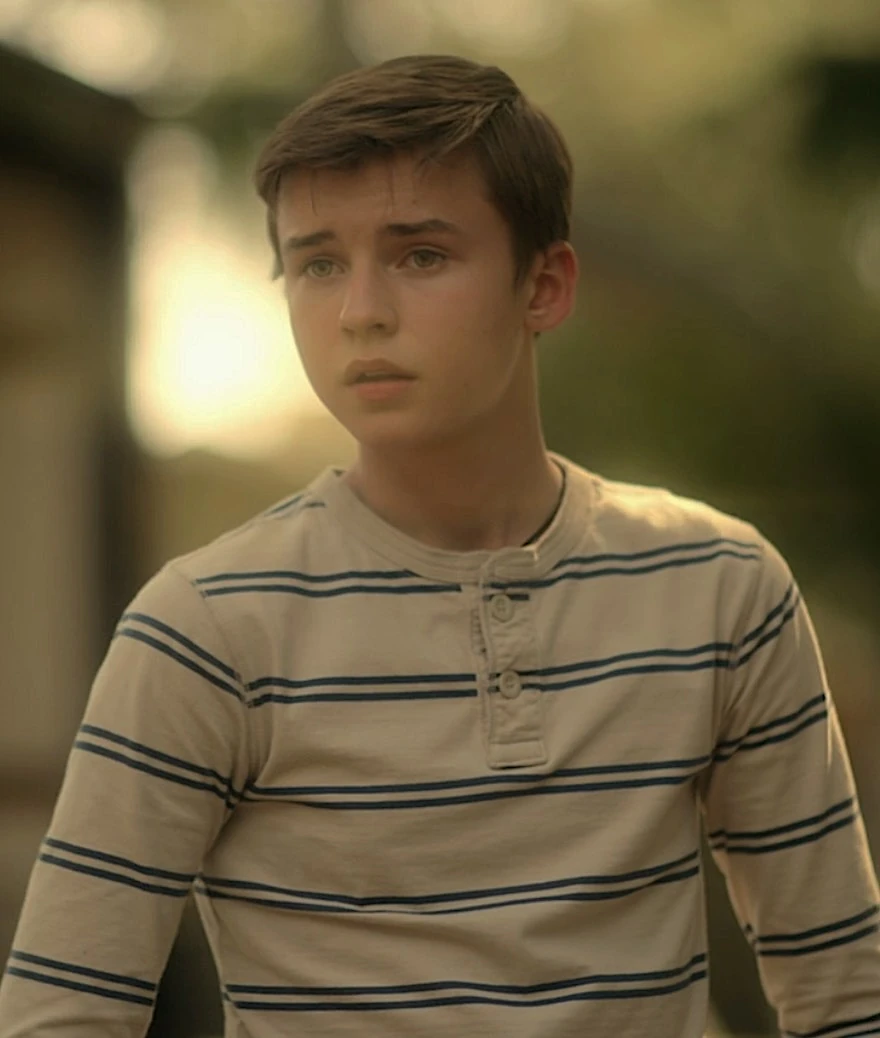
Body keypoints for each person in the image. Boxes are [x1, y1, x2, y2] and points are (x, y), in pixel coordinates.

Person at [1, 53, 878, 1038]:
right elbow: (61, 1015)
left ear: (544, 285)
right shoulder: (206, 629)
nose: (360, 312)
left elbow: (847, 996)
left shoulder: (719, 587)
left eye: (419, 255)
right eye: (317, 263)